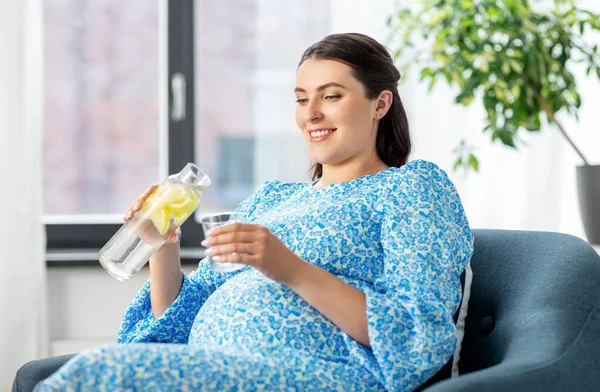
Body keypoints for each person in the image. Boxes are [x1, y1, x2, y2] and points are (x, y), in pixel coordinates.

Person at [34, 33, 474, 392]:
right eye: (301, 100)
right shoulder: (272, 199)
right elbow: (178, 325)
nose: (311, 114)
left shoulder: (411, 188)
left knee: (100, 374)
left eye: (331, 96)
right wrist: (161, 247)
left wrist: (288, 267)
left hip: (322, 375)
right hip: (217, 367)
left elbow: (418, 334)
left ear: (380, 104)